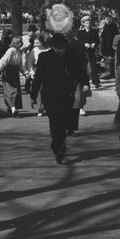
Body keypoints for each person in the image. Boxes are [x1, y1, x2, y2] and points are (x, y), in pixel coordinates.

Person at [30, 33, 89, 164]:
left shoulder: (71, 56)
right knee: (54, 120)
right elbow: (38, 77)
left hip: (67, 93)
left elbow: (79, 71)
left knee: (64, 120)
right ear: (52, 47)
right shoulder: (44, 57)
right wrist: (33, 95)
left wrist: (85, 83)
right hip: (50, 94)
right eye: (58, 48)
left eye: (63, 47)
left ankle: (58, 143)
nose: (61, 50)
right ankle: (59, 147)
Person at [0, 36, 26, 117]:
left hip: (15, 72)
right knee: (11, 89)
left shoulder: (18, 52)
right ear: (16, 43)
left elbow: (20, 64)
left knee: (15, 89)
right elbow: (4, 60)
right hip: (9, 71)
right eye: (19, 43)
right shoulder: (11, 50)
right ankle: (13, 108)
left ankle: (11, 108)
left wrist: (25, 72)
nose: (21, 44)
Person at [24, 33, 48, 116]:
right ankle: (40, 108)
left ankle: (47, 107)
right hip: (37, 70)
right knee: (38, 90)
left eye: (37, 43)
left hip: (47, 71)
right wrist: (31, 72)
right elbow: (29, 62)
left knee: (46, 90)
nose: (35, 45)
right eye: (35, 43)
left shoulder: (47, 49)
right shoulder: (34, 50)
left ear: (42, 42)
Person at [77, 15, 101, 89]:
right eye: (86, 23)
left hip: (91, 51)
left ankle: (96, 82)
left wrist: (95, 44)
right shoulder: (80, 32)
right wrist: (84, 44)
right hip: (83, 52)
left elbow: (98, 40)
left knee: (94, 66)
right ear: (83, 24)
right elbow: (78, 41)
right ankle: (85, 83)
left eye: (89, 23)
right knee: (84, 66)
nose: (88, 24)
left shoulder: (94, 31)